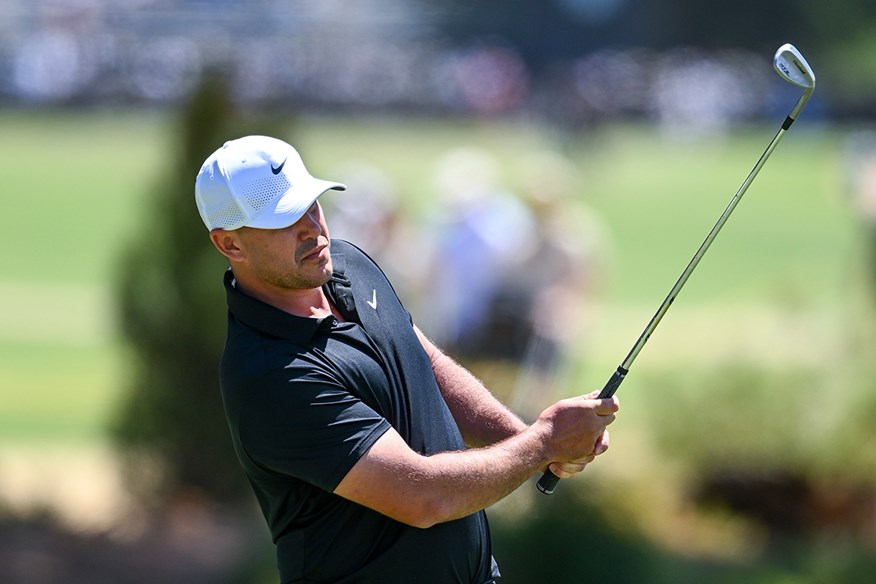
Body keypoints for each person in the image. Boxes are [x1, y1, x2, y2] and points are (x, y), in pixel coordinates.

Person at [194, 135, 619, 584]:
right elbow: (421, 497)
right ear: (229, 244)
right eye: (282, 220)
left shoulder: (347, 264)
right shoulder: (270, 375)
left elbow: (423, 360)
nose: (311, 227)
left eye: (310, 205)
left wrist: (525, 437)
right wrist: (544, 443)